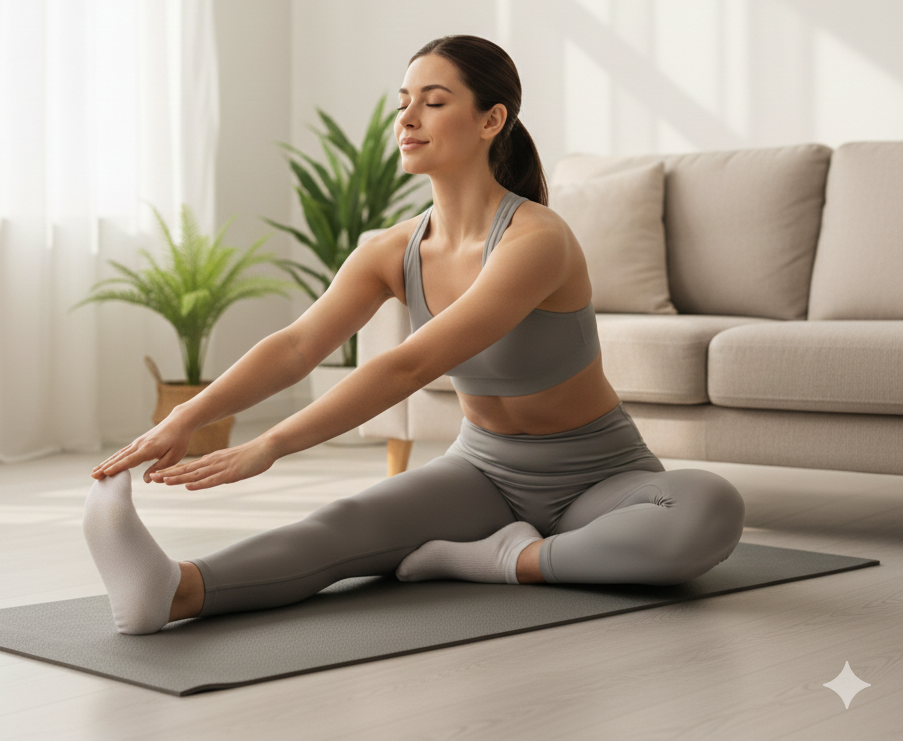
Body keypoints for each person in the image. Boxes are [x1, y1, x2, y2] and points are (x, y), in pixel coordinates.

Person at [84, 35, 745, 635]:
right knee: (343, 525)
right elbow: (296, 346)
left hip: (601, 480)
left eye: (433, 102)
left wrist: (271, 445)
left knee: (708, 507)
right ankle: (171, 590)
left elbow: (406, 368)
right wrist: (185, 418)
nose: (406, 120)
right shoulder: (390, 250)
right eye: (404, 103)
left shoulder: (537, 240)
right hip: (483, 473)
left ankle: (502, 560)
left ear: (492, 120)